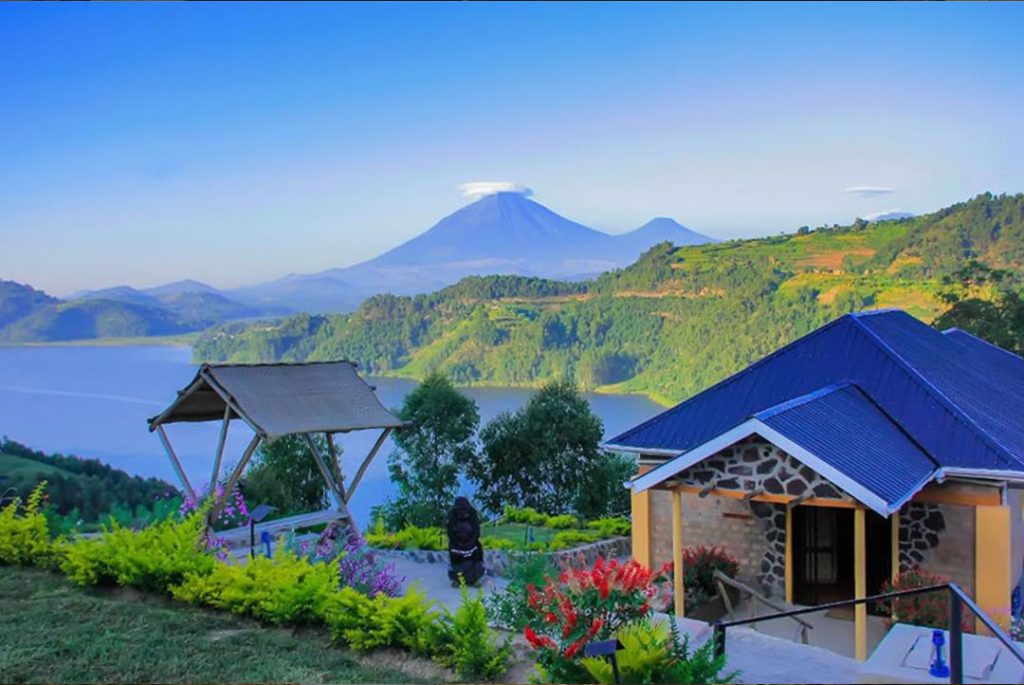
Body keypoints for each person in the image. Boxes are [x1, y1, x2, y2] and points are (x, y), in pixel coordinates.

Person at [447, 496, 485, 586]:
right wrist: (458, 543)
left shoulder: (472, 513)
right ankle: (456, 579)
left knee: (477, 558)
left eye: (464, 510)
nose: (462, 513)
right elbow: (450, 532)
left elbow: (476, 531)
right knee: (456, 561)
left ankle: (476, 578)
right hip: (456, 544)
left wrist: (470, 543)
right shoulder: (451, 515)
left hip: (472, 543)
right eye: (459, 510)